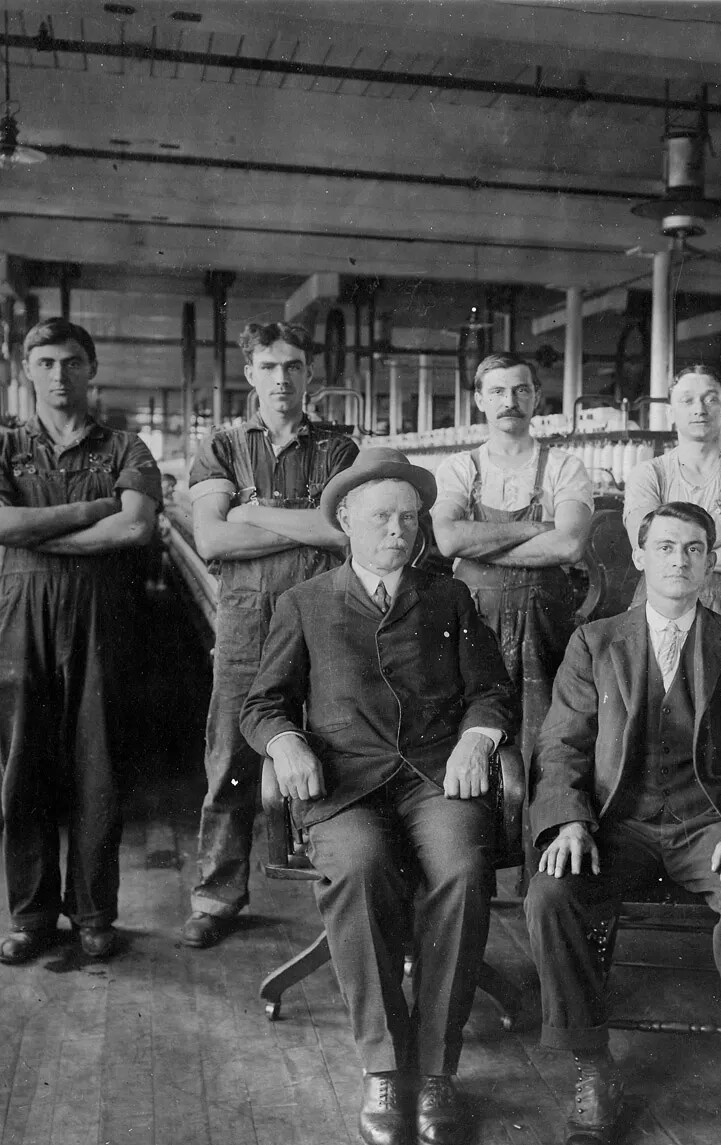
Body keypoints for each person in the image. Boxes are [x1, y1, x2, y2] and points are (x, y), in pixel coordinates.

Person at [240, 447, 517, 1145]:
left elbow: (490, 687)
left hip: (433, 777)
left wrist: (478, 739)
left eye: (409, 518)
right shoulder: (304, 602)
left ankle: (436, 1071)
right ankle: (386, 1069)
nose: (398, 530)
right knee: (361, 869)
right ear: (344, 521)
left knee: (461, 868)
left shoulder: (449, 596)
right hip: (344, 785)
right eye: (381, 517)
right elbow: (261, 703)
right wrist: (284, 743)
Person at [525, 501, 721, 1145]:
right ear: (640, 557)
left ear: (710, 562)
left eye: (694, 549)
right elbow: (561, 746)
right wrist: (569, 822)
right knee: (551, 892)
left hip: (707, 824)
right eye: (667, 547)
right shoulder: (594, 642)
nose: (679, 560)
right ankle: (591, 1066)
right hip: (615, 824)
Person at [179, 321, 358, 949]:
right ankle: (216, 895)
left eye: (295, 365)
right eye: (269, 366)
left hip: (324, 619)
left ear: (309, 375)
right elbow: (212, 538)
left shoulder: (338, 449)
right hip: (247, 620)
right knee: (230, 757)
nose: (282, 378)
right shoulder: (222, 446)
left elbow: (348, 534)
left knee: (332, 746)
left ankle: (341, 887)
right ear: (250, 374)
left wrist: (252, 512)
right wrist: (305, 522)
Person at [0, 319, 161, 964]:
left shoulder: (126, 447)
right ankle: (30, 916)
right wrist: (95, 509)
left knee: (100, 768)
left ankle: (94, 912)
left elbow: (135, 529)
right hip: (19, 619)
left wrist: (33, 534)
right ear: (27, 371)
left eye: (71, 362)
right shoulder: (6, 446)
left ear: (91, 370)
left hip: (103, 621)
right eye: (44, 363)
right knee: (22, 767)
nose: (58, 375)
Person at [432, 352, 593, 766]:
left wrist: (481, 542)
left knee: (546, 739)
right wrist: (538, 528)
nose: (510, 400)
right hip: (472, 621)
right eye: (498, 391)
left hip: (544, 625)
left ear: (536, 397)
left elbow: (569, 546)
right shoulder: (459, 467)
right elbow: (448, 539)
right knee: (471, 730)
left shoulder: (564, 467)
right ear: (479, 400)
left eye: (521, 390)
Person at [622, 363, 721, 632]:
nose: (700, 409)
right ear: (671, 412)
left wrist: (679, 547)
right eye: (687, 400)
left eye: (711, 399)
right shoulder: (648, 474)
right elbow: (648, 550)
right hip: (661, 613)